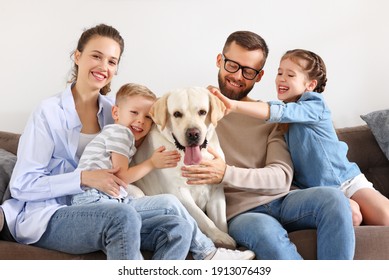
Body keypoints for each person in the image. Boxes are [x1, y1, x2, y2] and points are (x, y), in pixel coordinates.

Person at [0, 24, 251, 260]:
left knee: (179, 224)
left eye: (112, 61)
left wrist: (210, 158)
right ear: (77, 57)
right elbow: (22, 185)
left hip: (106, 204)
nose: (103, 66)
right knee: (122, 215)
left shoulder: (119, 111)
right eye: (96, 56)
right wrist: (84, 178)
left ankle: (205, 255)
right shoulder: (48, 112)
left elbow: (161, 128)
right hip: (49, 214)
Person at [181, 31, 356, 259]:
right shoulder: (194, 111)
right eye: (232, 65)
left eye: (248, 71)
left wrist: (226, 173)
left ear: (259, 76)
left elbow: (281, 177)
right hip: (242, 213)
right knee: (266, 234)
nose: (238, 76)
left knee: (334, 200)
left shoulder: (268, 118)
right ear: (219, 61)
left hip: (283, 200)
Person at [70, 82, 255, 260]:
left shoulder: (126, 136)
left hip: (109, 200)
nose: (193, 128)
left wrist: (224, 235)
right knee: (171, 202)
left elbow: (215, 191)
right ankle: (209, 252)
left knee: (180, 226)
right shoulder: (121, 134)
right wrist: (151, 163)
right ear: (164, 117)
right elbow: (122, 177)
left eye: (201, 113)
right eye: (177, 114)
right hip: (99, 197)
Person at [208, 48, 389, 227]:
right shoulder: (281, 121)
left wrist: (233, 104)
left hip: (346, 180)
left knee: (385, 218)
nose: (282, 78)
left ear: (310, 85)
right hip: (315, 191)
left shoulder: (315, 105)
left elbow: (276, 111)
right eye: (279, 73)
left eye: (290, 75)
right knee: (353, 215)